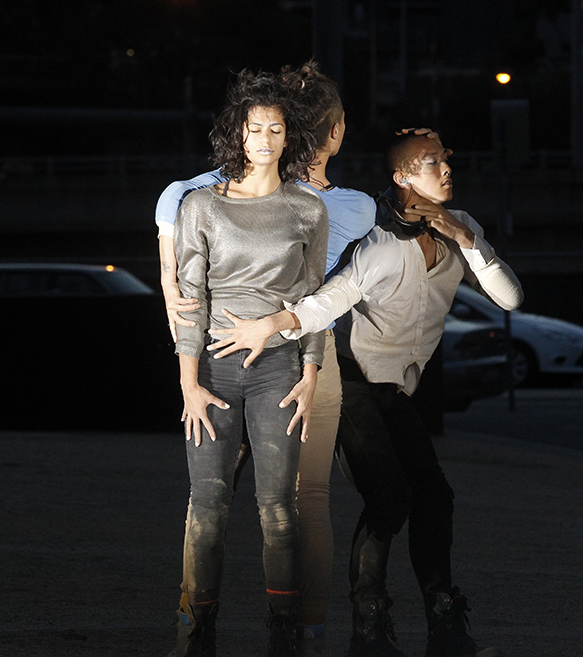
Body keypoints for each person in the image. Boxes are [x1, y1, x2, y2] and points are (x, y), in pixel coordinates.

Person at [209, 133, 522, 657]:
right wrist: (270, 326)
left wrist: (471, 243)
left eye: (446, 158)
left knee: (435, 497)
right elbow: (325, 302)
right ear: (402, 178)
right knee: (389, 495)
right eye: (432, 162)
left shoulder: (459, 230)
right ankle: (369, 628)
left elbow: (510, 298)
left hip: (398, 391)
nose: (446, 168)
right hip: (351, 381)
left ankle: (446, 627)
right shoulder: (377, 243)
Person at [157, 61, 378, 651]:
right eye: (254, 129)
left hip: (281, 369)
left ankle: (283, 633)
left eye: (275, 130)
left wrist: (310, 373)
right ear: (238, 133)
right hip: (212, 368)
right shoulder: (200, 205)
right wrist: (188, 383)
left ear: (289, 138)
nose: (263, 140)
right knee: (207, 505)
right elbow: (190, 301)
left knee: (278, 510)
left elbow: (309, 299)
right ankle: (195, 629)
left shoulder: (312, 210)